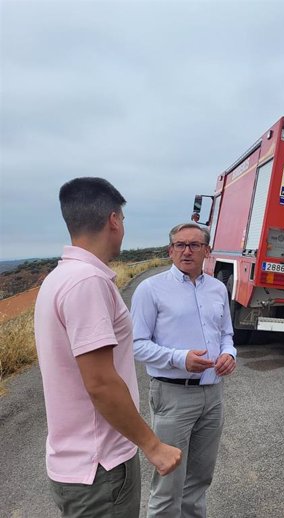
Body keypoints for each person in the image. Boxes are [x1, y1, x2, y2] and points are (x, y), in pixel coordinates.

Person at [34, 177, 182, 518]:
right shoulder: (88, 283)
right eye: (124, 221)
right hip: (101, 468)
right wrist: (153, 446)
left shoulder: (60, 277)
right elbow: (100, 382)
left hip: (76, 462)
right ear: (113, 220)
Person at [132, 222, 237, 517]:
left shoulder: (217, 289)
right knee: (168, 484)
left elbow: (226, 334)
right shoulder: (150, 290)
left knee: (200, 479)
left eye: (194, 245)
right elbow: (136, 345)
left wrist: (229, 354)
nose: (186, 251)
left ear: (207, 250)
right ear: (170, 251)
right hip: (172, 394)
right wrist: (181, 359)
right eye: (180, 245)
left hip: (213, 393)